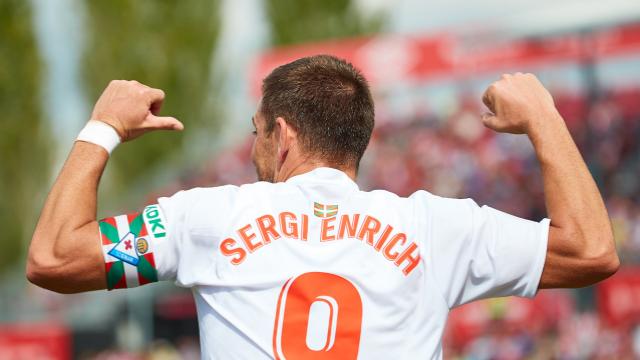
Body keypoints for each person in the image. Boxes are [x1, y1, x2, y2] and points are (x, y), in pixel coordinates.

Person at [27, 55, 618, 359]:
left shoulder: (207, 219)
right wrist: (543, 116)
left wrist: (103, 126)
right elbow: (590, 249)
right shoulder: (439, 226)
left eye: (256, 131)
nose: (255, 145)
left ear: (281, 136)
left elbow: (53, 258)